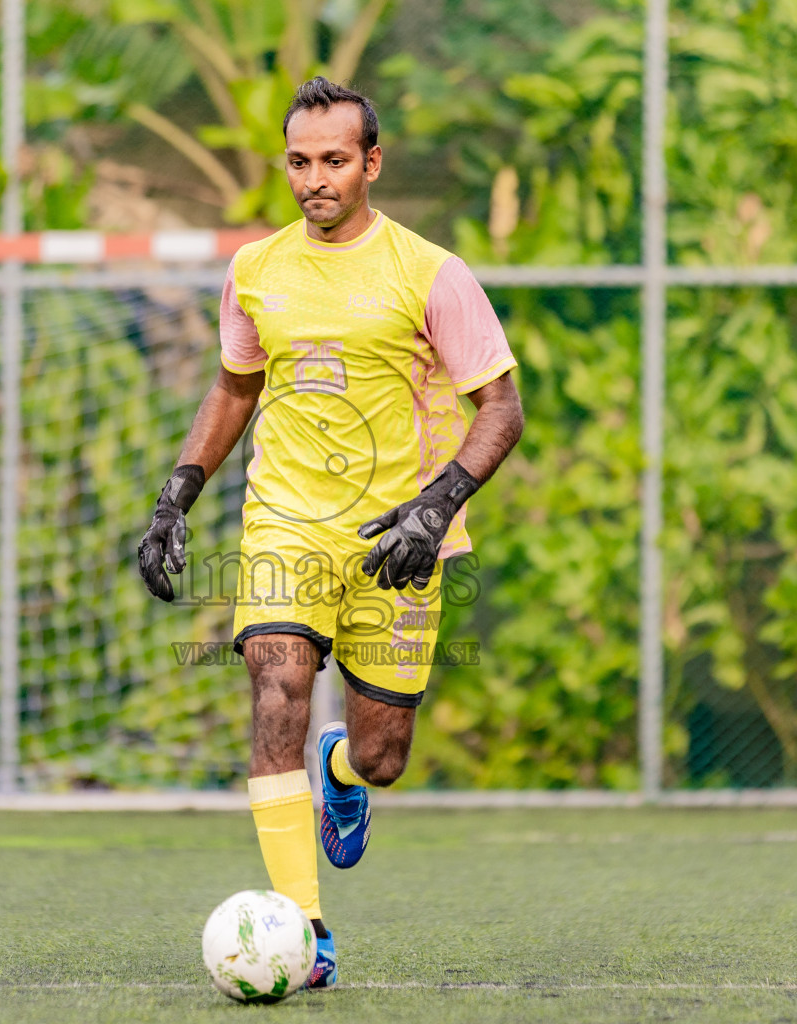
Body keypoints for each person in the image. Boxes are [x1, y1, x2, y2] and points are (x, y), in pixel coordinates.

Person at [136, 76, 524, 989]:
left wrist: (438, 505)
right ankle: (306, 933)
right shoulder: (256, 269)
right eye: (301, 162)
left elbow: (501, 408)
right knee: (276, 685)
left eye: (336, 162)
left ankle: (339, 770)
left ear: (371, 164)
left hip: (400, 537)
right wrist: (175, 496)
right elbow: (236, 387)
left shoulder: (430, 272)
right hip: (284, 521)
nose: (316, 179)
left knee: (384, 754)